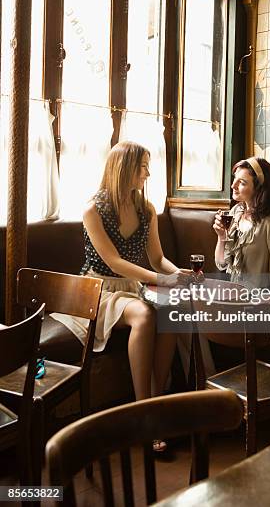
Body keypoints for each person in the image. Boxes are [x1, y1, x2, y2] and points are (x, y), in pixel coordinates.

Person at [51, 141, 191, 451]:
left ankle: (156, 400)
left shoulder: (147, 208)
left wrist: (177, 273)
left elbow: (157, 258)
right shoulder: (93, 209)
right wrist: (162, 280)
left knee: (171, 311)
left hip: (130, 287)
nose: (147, 173)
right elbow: (113, 261)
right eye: (143, 167)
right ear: (124, 168)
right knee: (144, 315)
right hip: (97, 290)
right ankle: (142, 415)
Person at [213, 157, 270, 290]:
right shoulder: (236, 212)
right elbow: (221, 264)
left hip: (259, 299)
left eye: (241, 183)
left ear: (259, 187)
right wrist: (221, 237)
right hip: (233, 294)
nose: (233, 186)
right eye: (234, 179)